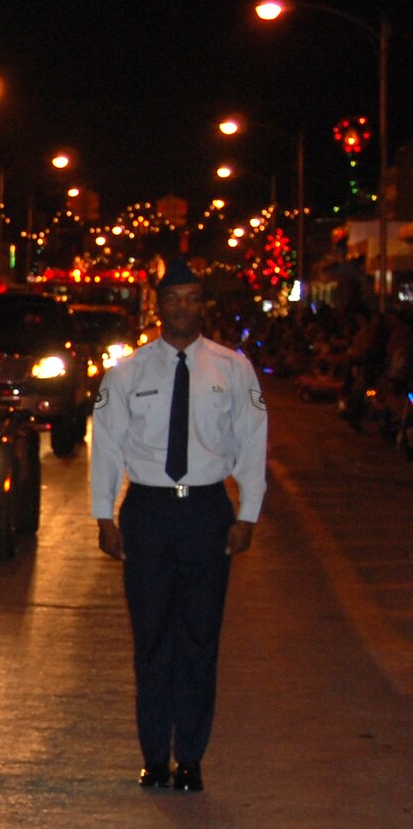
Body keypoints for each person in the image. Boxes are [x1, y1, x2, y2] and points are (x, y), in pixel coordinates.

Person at [91, 259, 265, 793]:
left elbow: (252, 442)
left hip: (206, 512)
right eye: (173, 299)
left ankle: (189, 756)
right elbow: (108, 445)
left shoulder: (232, 369)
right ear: (159, 305)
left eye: (192, 298)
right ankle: (153, 756)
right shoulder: (128, 372)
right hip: (148, 513)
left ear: (202, 303)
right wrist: (104, 514)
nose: (183, 308)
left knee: (198, 641)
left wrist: (248, 513)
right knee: (151, 642)